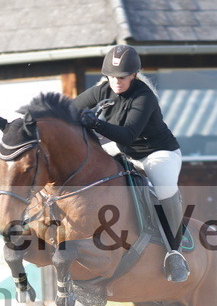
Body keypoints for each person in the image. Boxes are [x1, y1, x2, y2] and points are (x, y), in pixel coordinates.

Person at [72, 45, 189, 283]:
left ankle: (174, 252)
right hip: (125, 150)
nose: (116, 81)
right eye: (112, 76)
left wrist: (94, 124)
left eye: (122, 77)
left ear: (133, 75)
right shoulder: (103, 89)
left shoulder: (143, 96)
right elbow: (71, 109)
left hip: (157, 153)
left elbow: (128, 135)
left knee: (164, 187)